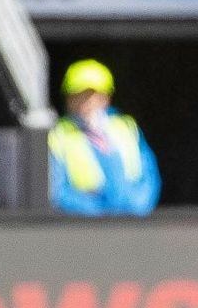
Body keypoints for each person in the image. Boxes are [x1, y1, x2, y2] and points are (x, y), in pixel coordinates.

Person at [48, 58, 161, 216]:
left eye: (93, 95)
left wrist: (136, 208)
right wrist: (99, 212)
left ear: (106, 97)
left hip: (131, 221)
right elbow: (56, 191)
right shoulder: (58, 135)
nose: (87, 102)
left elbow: (148, 178)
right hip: (85, 226)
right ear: (68, 99)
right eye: (79, 95)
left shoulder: (126, 127)